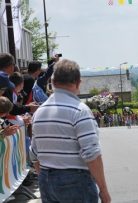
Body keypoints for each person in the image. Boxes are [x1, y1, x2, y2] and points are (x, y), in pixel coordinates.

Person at [29, 59, 111, 203]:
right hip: (75, 180)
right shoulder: (80, 110)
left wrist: (46, 177)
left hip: (47, 178)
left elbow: (34, 154)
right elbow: (92, 155)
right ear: (78, 82)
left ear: (52, 82)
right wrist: (103, 190)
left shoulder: (39, 112)